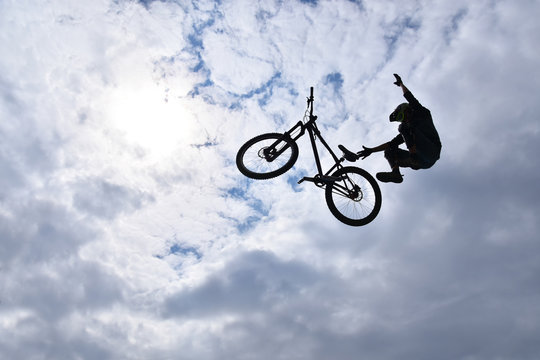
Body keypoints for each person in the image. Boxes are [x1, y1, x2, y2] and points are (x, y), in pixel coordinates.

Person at [347, 74, 441, 183]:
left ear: (407, 110)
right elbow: (390, 144)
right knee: (389, 150)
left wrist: (401, 84)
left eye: (402, 116)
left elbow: (410, 97)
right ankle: (396, 173)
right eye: (400, 119)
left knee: (404, 128)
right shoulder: (408, 131)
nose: (403, 120)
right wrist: (371, 150)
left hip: (431, 150)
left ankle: (413, 155)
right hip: (423, 162)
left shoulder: (422, 113)